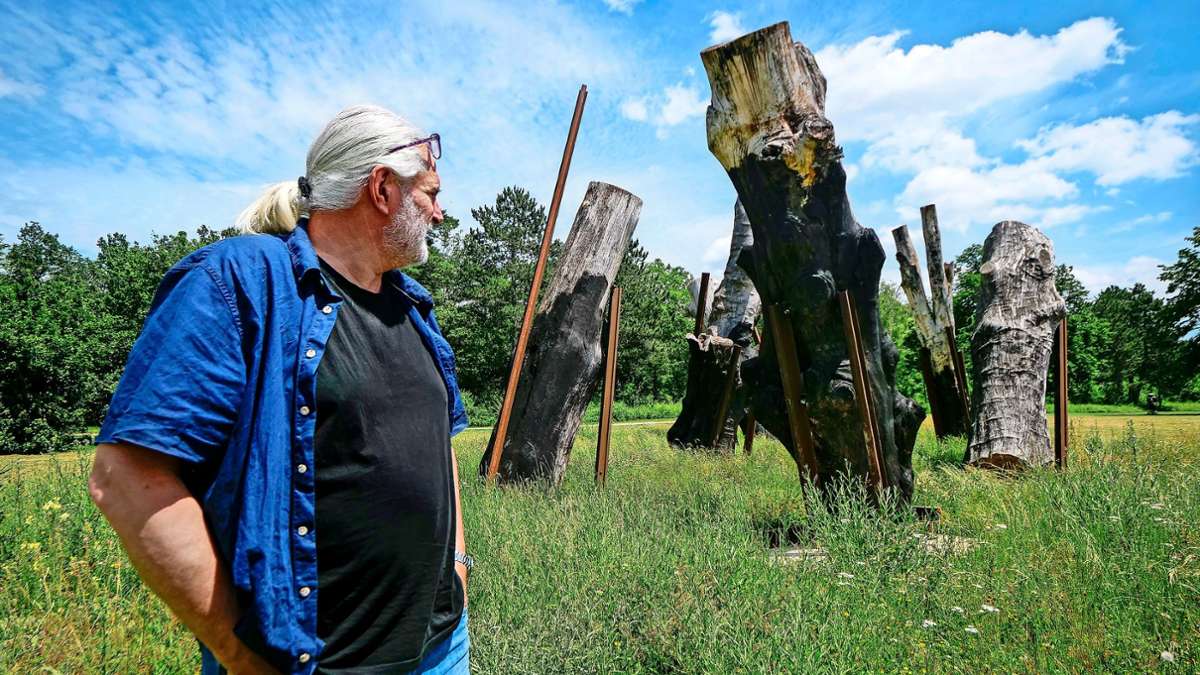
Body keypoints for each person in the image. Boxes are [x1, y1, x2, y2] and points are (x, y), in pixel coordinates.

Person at [88, 105, 472, 674]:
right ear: (382, 188)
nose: (440, 214)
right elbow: (125, 479)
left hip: (440, 648)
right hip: (314, 662)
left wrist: (458, 565)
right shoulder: (240, 281)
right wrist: (241, 657)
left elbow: (437, 445)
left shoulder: (414, 307)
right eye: (430, 194)